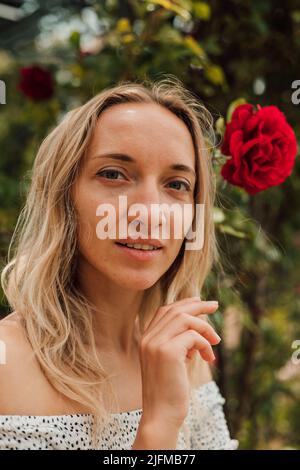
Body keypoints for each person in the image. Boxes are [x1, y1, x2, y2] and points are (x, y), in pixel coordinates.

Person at [0, 76, 239, 450]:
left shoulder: (183, 355)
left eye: (176, 184)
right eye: (113, 174)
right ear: (64, 197)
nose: (149, 212)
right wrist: (159, 426)